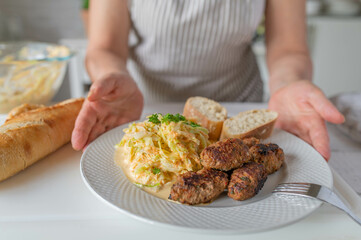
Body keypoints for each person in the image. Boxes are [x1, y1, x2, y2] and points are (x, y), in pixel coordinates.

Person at [71, 0, 344, 160]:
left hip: (241, 112)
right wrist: (110, 75)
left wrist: (289, 83)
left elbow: (289, 48)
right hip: (149, 112)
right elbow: (104, 48)